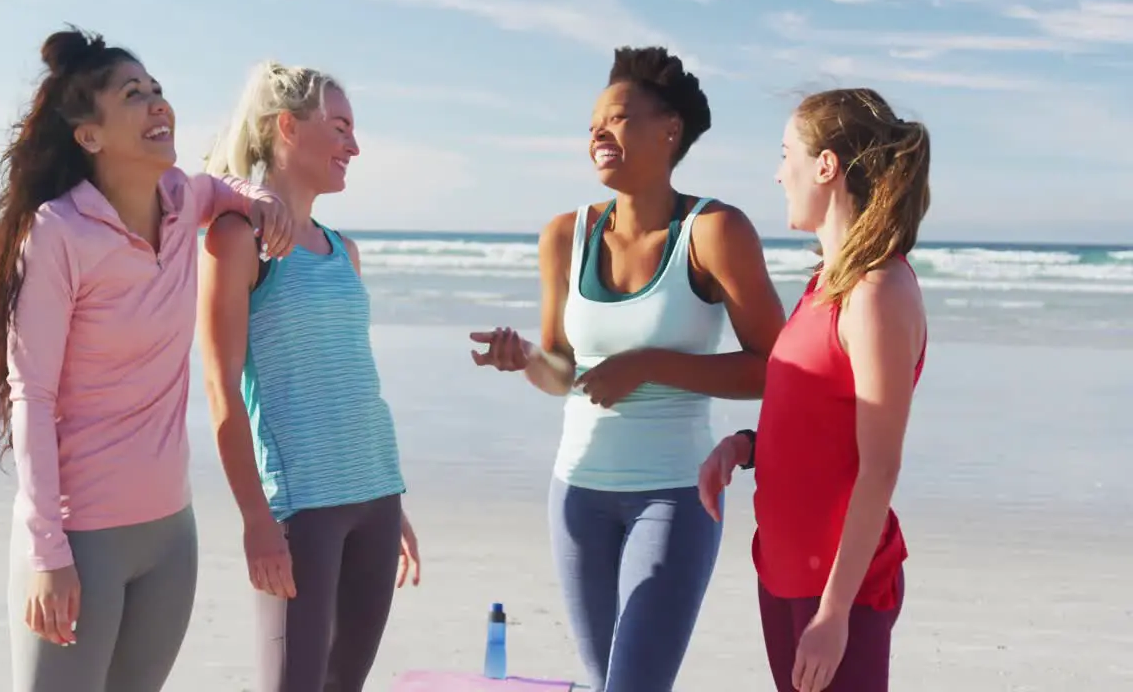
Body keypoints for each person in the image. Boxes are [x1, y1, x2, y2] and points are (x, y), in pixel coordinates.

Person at [0, 27, 293, 692]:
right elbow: (34, 397)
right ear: (90, 136)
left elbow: (219, 189)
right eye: (133, 95)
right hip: (81, 537)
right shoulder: (59, 233)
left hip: (171, 534)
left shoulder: (180, 200)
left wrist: (257, 199)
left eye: (158, 90)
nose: (157, 104)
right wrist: (48, 550)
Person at [469, 46, 787, 692]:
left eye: (615, 118)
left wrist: (649, 364)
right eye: (591, 125)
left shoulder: (713, 231)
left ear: (669, 128)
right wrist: (528, 357)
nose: (596, 135)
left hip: (674, 492)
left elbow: (777, 370)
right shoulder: (565, 234)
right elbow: (563, 372)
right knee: (602, 680)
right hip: (577, 494)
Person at [197, 60, 421, 692]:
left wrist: (390, 501)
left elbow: (350, 374)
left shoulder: (343, 249)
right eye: (341, 127)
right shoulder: (236, 238)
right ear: (289, 128)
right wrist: (255, 517)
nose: (355, 145)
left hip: (377, 498)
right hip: (301, 510)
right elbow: (221, 387)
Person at [698, 88, 930, 692]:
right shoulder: (827, 281)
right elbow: (813, 418)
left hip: (839, 591)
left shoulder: (876, 291)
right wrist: (745, 447)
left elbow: (879, 468)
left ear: (825, 165)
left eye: (785, 154)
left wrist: (833, 615)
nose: (778, 174)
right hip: (782, 571)